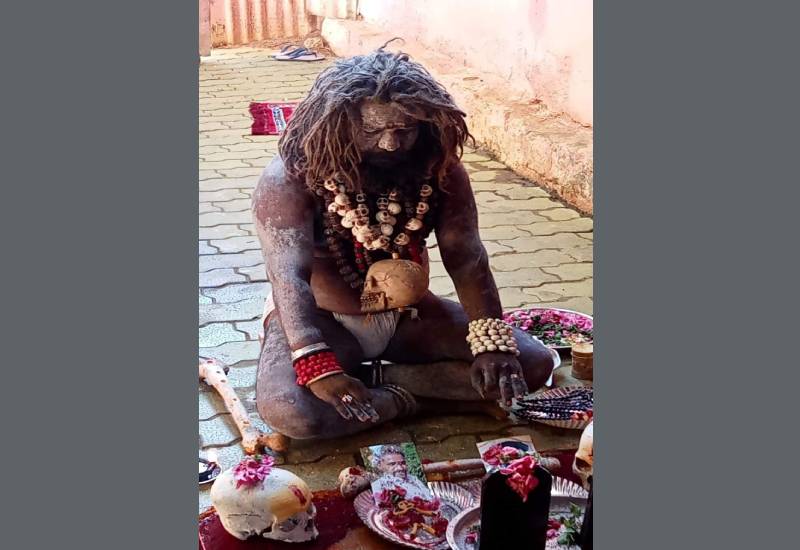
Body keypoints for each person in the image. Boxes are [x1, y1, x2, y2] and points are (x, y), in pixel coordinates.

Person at [252, 46, 554, 440]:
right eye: (372, 132)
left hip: (407, 319)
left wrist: (491, 341)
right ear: (339, 125)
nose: (391, 144)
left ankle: (386, 386)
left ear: (425, 125)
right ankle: (417, 396)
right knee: (294, 414)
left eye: (404, 130)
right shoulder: (291, 178)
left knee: (530, 365)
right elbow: (288, 275)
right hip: (323, 320)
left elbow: (466, 257)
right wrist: (314, 359)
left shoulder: (438, 170)